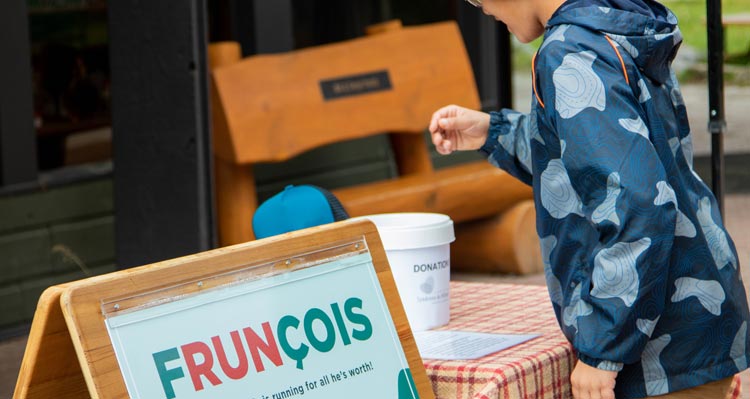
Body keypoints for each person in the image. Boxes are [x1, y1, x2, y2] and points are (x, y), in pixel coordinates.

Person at [429, 0, 750, 398]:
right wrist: (491, 132)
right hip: (695, 322)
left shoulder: (568, 51)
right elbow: (589, 163)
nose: (477, 6)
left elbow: (639, 205)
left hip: (658, 351)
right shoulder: (612, 29)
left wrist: (604, 350)